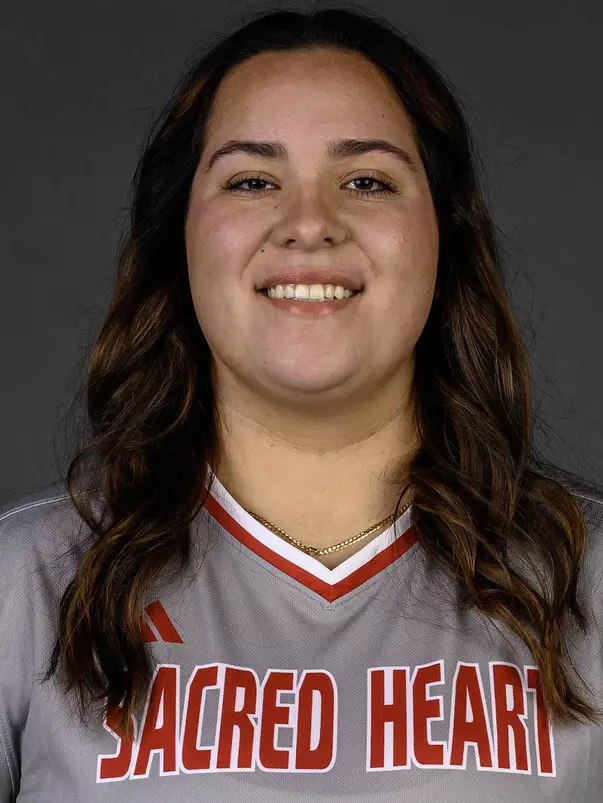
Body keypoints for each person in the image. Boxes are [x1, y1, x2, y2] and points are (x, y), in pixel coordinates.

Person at [1, 5, 602, 801]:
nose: (309, 224)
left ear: (443, 234)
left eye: (366, 181)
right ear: (178, 234)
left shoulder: (587, 581)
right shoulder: (26, 586)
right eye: (252, 180)